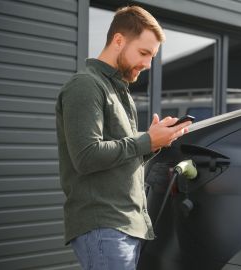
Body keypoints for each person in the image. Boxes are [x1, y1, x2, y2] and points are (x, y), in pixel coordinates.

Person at [55, 6, 191, 270]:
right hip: (104, 225)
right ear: (118, 40)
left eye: (152, 56)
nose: (148, 64)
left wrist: (155, 141)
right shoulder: (85, 86)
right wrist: (146, 141)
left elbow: (119, 155)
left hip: (123, 227)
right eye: (144, 53)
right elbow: (86, 156)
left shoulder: (120, 91)